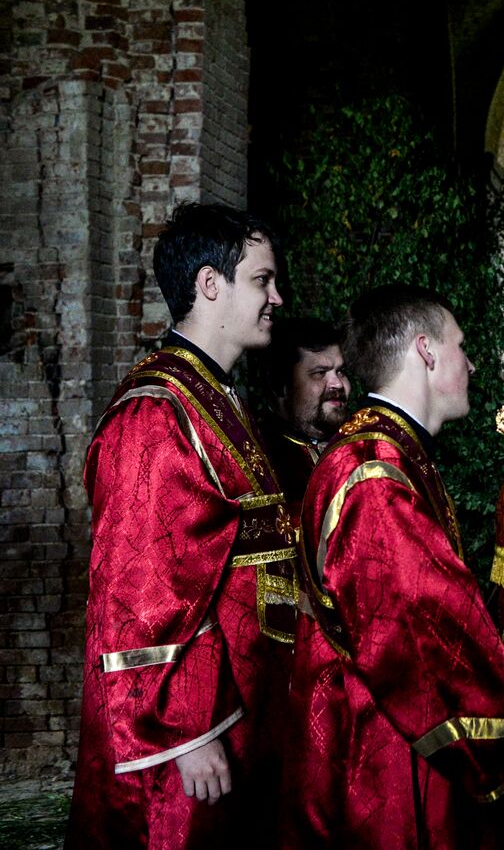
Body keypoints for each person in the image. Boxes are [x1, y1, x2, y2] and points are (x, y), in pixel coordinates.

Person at [284, 283, 504, 847]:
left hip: (389, 739)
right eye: (461, 345)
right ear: (426, 350)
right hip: (384, 758)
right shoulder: (374, 472)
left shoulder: (390, 453)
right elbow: (422, 634)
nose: (472, 362)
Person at [67, 203, 298, 848]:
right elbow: (137, 591)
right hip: (190, 741)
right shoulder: (156, 414)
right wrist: (187, 732)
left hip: (247, 708)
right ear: (208, 284)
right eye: (262, 280)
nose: (276, 297)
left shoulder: (214, 398)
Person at [254, 316, 350, 508]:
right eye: (320, 373)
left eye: (341, 371)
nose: (337, 384)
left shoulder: (359, 444)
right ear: (280, 385)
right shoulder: (259, 455)